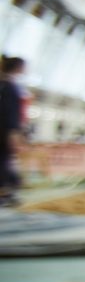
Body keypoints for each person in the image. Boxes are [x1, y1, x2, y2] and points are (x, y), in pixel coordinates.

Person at [0, 56, 25, 206]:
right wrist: (13, 133)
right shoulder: (10, 87)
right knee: (4, 160)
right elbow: (10, 112)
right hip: (5, 131)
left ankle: (6, 189)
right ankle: (4, 192)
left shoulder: (4, 85)